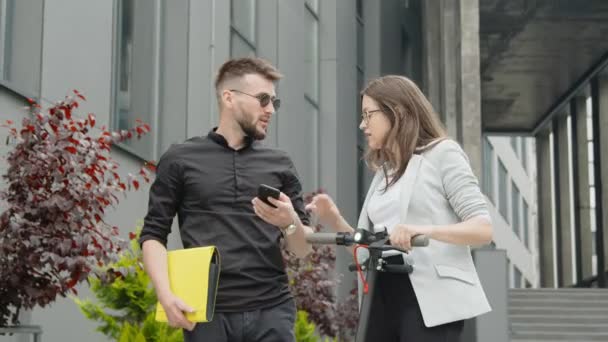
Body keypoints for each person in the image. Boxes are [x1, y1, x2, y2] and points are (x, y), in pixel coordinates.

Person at [139, 57, 314, 342]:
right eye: (263, 99)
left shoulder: (280, 163)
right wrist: (165, 294)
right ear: (229, 97)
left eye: (274, 102)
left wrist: (290, 222)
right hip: (205, 314)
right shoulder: (180, 159)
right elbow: (153, 235)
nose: (270, 109)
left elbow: (303, 248)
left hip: (272, 310)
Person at [306, 75, 493, 341]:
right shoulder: (385, 174)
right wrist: (335, 220)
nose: (362, 125)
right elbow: (367, 250)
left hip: (429, 301)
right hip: (381, 295)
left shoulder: (444, 154)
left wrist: (421, 230)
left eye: (368, 115)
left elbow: (482, 228)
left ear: (398, 112)